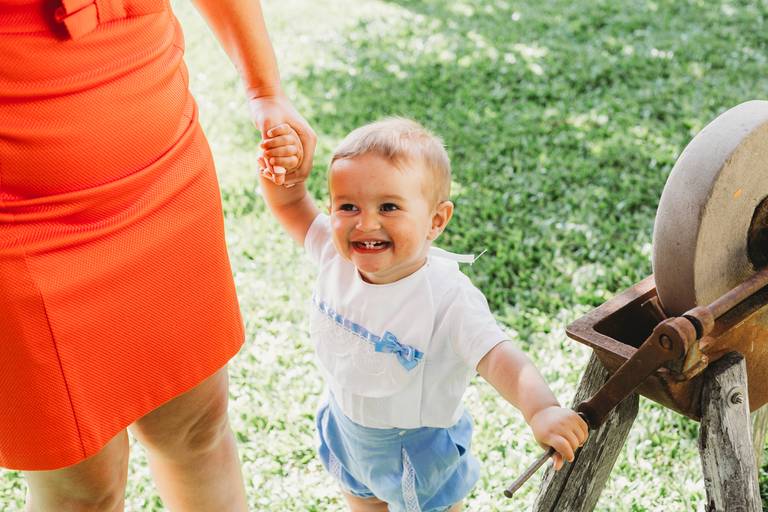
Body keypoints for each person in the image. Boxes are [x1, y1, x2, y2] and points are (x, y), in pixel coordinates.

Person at [0, 0, 313, 510]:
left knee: (197, 427)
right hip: (21, 218)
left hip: (164, 162)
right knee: (83, 487)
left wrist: (264, 90)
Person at [257, 117, 588, 512]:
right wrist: (286, 178)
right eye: (348, 206)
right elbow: (290, 204)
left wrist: (541, 409)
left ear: (436, 220)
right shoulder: (334, 254)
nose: (366, 222)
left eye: (389, 207)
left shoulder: (448, 297)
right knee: (362, 503)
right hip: (346, 433)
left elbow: (501, 358)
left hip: (415, 449)